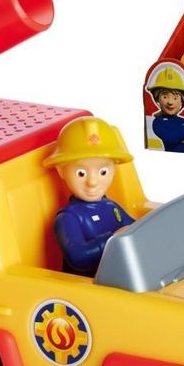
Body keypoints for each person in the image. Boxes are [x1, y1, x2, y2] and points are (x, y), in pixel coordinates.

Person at [43, 117, 135, 276]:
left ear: (114, 167)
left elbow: (137, 229)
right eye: (81, 173)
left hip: (117, 277)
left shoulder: (111, 207)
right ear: (61, 171)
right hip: (85, 283)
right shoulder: (68, 218)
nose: (92, 182)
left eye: (103, 172)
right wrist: (114, 239)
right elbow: (78, 257)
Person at [147, 67, 184, 154]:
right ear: (157, 99)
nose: (170, 102)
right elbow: (172, 138)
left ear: (182, 101)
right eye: (165, 97)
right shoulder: (158, 122)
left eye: (175, 98)